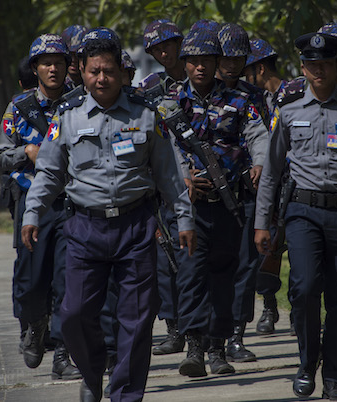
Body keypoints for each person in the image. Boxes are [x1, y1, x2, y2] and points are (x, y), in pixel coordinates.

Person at [20, 27, 196, 402]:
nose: (101, 78)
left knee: (136, 319)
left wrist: (184, 219)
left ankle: (125, 395)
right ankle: (93, 369)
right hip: (84, 227)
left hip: (136, 227)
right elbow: (49, 173)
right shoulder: (67, 117)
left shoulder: (146, 115)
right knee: (73, 315)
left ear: (121, 72)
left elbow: (168, 174)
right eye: (94, 71)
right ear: (82, 71)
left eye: (109, 71)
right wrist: (32, 213)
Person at [254, 32, 337, 401]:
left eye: (326, 63)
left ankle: (333, 379)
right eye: (312, 64)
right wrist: (262, 222)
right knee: (304, 288)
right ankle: (306, 363)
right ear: (302, 68)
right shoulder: (289, 108)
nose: (319, 71)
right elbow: (272, 170)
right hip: (302, 212)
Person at [164, 20, 268, 378]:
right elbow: (165, 147)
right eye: (194, 60)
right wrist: (183, 178)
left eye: (207, 60)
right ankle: (194, 347)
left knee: (225, 276)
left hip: (229, 205)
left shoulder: (240, 100)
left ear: (216, 61)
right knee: (191, 276)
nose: (200, 67)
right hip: (188, 207)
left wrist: (259, 163)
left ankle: (218, 349)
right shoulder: (169, 103)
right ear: (185, 62)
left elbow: (258, 135)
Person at [0, 33, 82, 381]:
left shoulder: (80, 103)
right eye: (46, 63)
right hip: (32, 205)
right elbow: (2, 155)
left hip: (72, 203)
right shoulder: (19, 108)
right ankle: (34, 325)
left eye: (59, 63)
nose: (53, 69)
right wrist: (27, 152)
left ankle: (63, 353)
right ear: (35, 68)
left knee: (66, 281)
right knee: (31, 282)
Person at [215, 22, 268, 363]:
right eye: (226, 57)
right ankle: (208, 339)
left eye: (238, 58)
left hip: (247, 192)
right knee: (213, 266)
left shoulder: (254, 96)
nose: (232, 64)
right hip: (210, 194)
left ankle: (236, 335)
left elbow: (266, 136)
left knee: (246, 265)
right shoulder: (202, 93)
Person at [138, 18, 190, 357]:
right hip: (166, 186)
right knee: (166, 261)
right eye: (156, 49)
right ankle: (174, 328)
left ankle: (215, 331)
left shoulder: (204, 79)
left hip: (208, 182)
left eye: (168, 44)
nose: (163, 52)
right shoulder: (150, 88)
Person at [242, 37, 288, 336]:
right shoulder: (258, 101)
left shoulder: (293, 95)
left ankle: (300, 310)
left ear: (260, 69)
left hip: (294, 184)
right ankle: (269, 307)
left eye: (247, 72)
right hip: (267, 187)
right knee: (266, 251)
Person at [62, 24, 91, 89]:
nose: (73, 60)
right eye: (69, 54)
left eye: (78, 55)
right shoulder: (57, 86)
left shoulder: (95, 83)